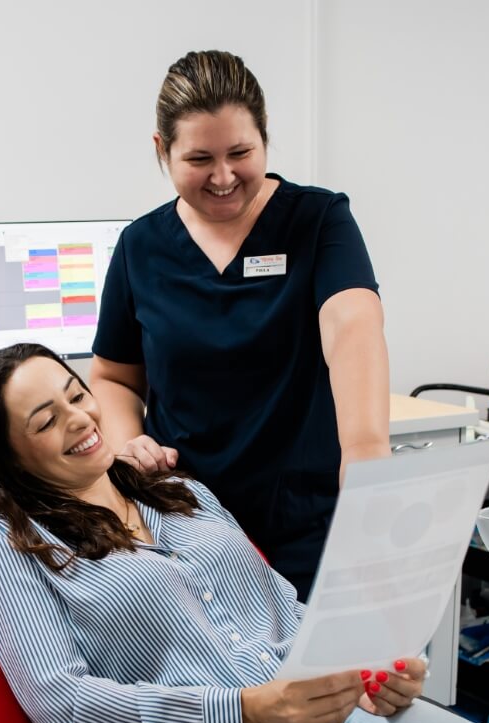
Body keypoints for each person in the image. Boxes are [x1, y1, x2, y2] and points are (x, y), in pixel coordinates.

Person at [0, 342, 489, 723]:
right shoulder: (12, 549)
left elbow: (286, 610)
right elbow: (69, 718)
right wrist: (247, 709)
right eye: (45, 421)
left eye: (76, 394)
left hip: (323, 716)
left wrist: (373, 668)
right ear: (8, 456)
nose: (78, 419)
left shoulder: (179, 492)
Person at [90, 50, 390, 600]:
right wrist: (128, 444)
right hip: (184, 524)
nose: (224, 177)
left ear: (265, 137)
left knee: (319, 678)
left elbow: (353, 328)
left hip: (304, 517)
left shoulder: (317, 220)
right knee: (225, 683)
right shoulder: (142, 247)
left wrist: (366, 457)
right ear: (162, 150)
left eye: (241, 152)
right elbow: (113, 376)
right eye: (200, 158)